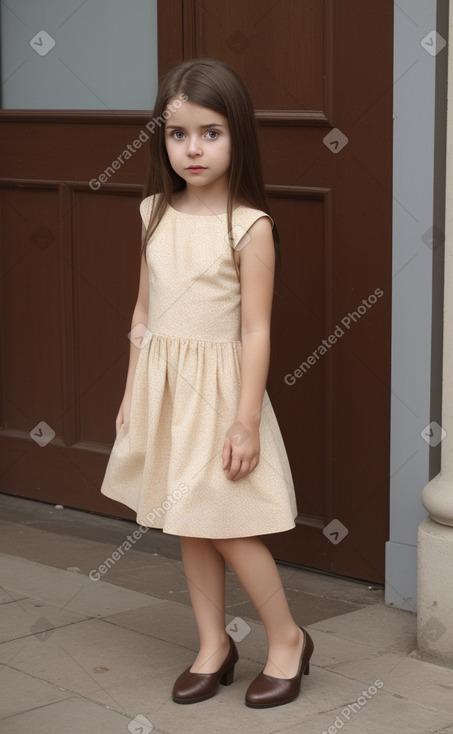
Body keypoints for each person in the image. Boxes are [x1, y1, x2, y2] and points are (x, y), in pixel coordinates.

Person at [100, 57, 313, 708]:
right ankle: (212, 643)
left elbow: (255, 331)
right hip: (164, 393)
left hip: (221, 399)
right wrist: (131, 390)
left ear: (237, 135)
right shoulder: (153, 214)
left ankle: (285, 638)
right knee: (186, 521)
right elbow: (142, 313)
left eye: (210, 132)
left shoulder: (247, 228)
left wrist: (245, 418)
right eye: (177, 134)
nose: (192, 149)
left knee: (226, 526)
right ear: (161, 140)